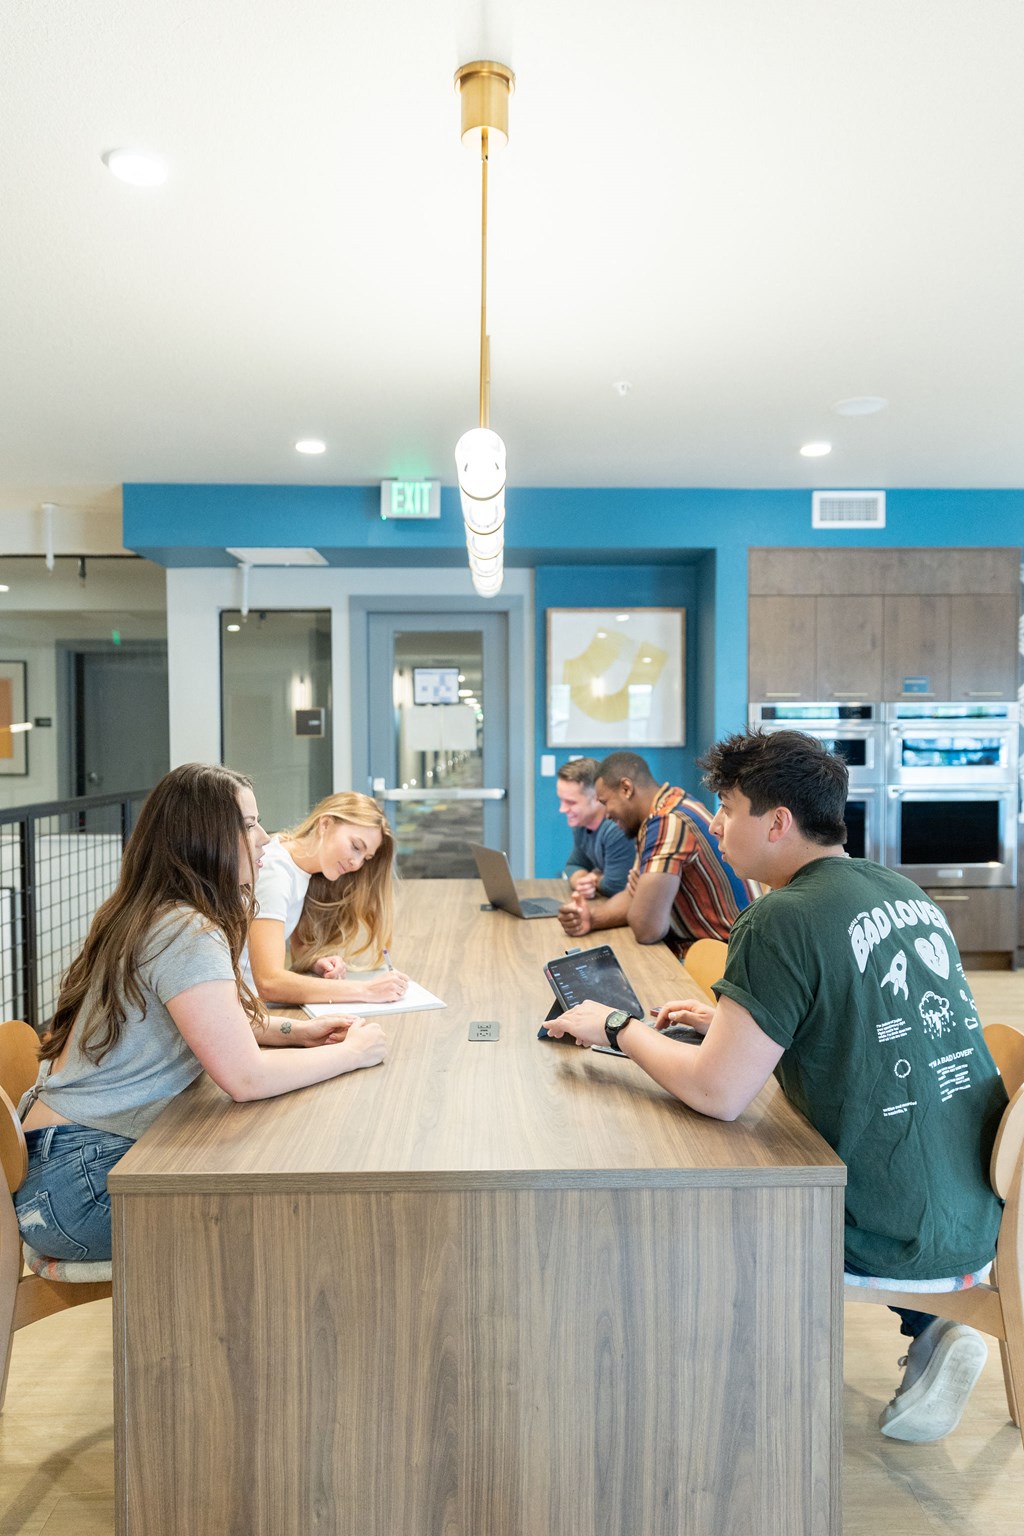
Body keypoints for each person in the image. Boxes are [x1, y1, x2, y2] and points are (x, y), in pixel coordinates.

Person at [547, 729, 1007, 1444]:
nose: (718, 826)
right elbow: (859, 1011)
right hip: (977, 1207)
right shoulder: (899, 888)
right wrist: (737, 1020)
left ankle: (719, 1420)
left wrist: (616, 1030)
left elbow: (717, 1094)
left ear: (778, 822)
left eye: (727, 809)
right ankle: (931, 1331)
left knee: (709, 1182)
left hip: (892, 1231)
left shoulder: (780, 916)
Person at [15, 763, 387, 1263]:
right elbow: (245, 1078)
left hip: (62, 1162)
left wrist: (298, 1031)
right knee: (284, 1215)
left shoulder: (160, 912)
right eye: (249, 824)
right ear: (204, 833)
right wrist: (355, 1053)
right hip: (76, 1183)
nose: (262, 839)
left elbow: (219, 1020)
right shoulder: (185, 931)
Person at [557, 750, 757, 954]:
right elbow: (632, 895)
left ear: (626, 788)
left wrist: (642, 895)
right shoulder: (666, 808)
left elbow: (647, 929)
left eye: (605, 802)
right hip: (707, 947)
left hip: (723, 957)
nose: (606, 814)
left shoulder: (667, 821)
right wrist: (591, 918)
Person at [245, 792, 409, 1007]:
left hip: (251, 1008)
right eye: (356, 847)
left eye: (365, 858)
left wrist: (315, 962)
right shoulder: (276, 871)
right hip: (239, 1012)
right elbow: (269, 982)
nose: (356, 863)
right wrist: (366, 990)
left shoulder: (298, 867)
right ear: (325, 824)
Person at [557, 757, 634, 898]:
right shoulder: (582, 824)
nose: (562, 809)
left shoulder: (618, 828)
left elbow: (616, 887)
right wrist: (582, 881)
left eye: (570, 802)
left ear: (597, 798)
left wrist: (596, 878)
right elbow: (573, 865)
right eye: (561, 800)